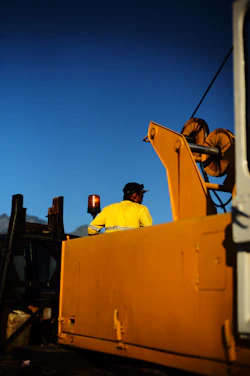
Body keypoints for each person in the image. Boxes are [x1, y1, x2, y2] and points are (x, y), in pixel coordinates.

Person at [88, 182, 153, 235]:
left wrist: (99, 243)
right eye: (141, 195)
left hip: (110, 249)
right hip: (132, 248)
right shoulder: (141, 209)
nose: (142, 198)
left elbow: (91, 229)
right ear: (135, 195)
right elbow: (149, 231)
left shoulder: (109, 209)